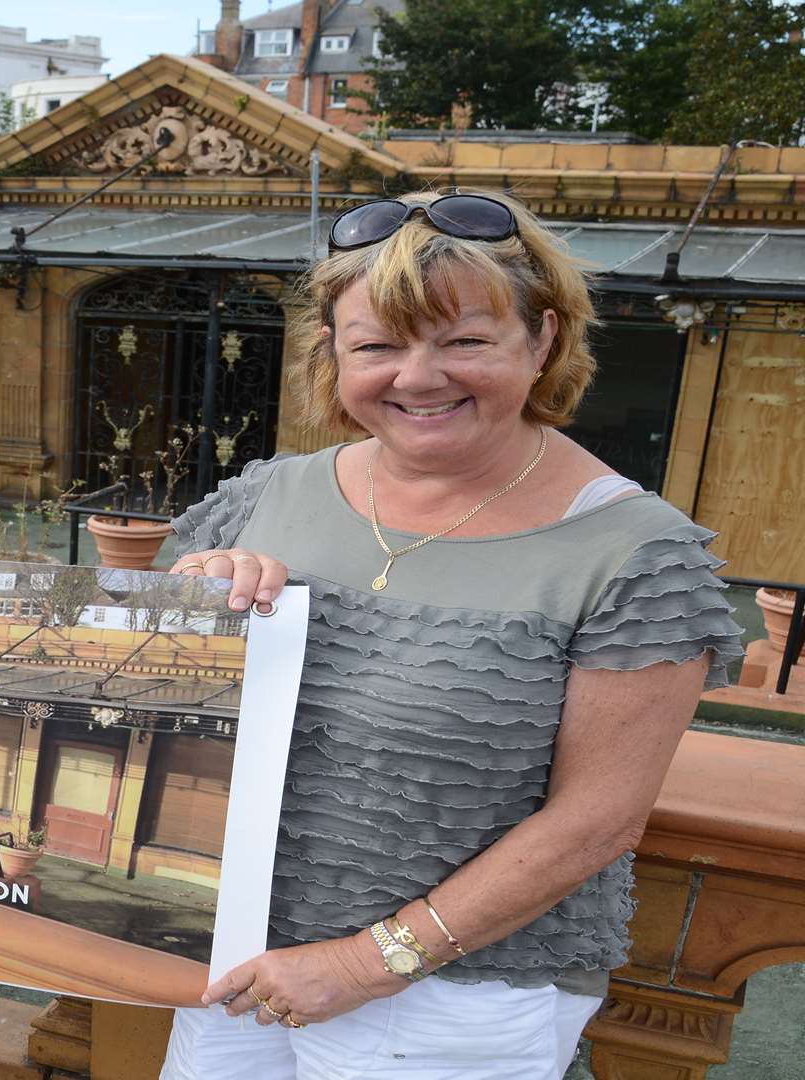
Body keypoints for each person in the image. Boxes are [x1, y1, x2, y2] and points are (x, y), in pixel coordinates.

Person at [156, 190, 744, 1079]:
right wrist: (183, 613)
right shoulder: (259, 498)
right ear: (333, 356)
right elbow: (143, 707)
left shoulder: (638, 555)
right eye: (377, 346)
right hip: (236, 959)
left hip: (461, 997)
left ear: (542, 340)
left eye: (464, 341)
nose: (418, 377)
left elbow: (597, 821)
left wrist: (365, 963)